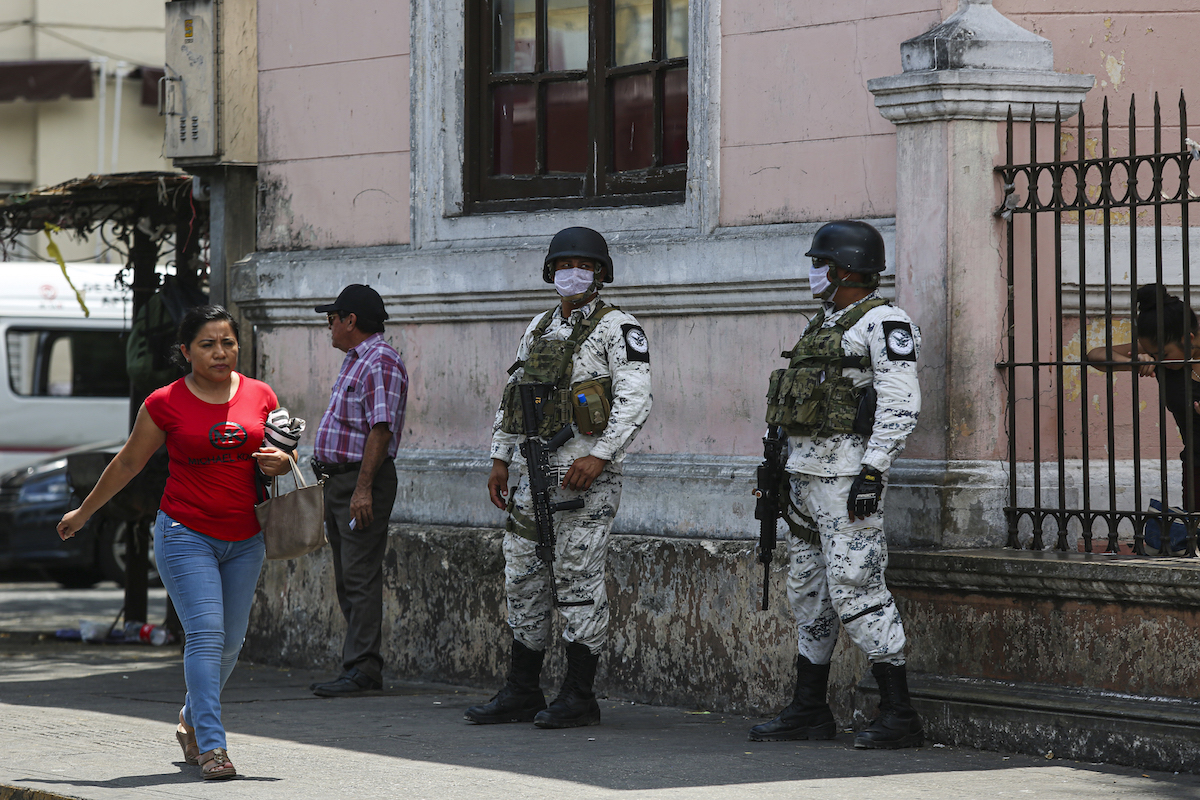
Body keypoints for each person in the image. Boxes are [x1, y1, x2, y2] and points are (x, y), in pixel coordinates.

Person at [56, 305, 293, 780]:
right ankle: (211, 744)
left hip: (247, 537)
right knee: (205, 635)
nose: (220, 352)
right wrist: (85, 512)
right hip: (186, 533)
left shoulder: (261, 395)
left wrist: (280, 463)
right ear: (186, 352)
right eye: (207, 344)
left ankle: (190, 716)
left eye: (227, 342)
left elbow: (281, 455)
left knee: (230, 643)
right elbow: (127, 463)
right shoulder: (163, 403)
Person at [465, 226, 652, 729]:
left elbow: (636, 399)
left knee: (576, 581)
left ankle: (578, 695)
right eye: (565, 264)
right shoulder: (540, 326)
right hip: (531, 477)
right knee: (522, 577)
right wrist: (500, 457)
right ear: (550, 271)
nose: (574, 272)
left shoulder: (619, 329)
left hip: (583, 481)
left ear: (601, 274)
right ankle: (522, 690)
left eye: (585, 265)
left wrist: (602, 456)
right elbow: (514, 395)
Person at [751, 220, 924, 749]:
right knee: (807, 592)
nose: (814, 272)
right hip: (803, 479)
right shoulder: (824, 323)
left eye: (820, 263)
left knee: (857, 587)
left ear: (846, 269)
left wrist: (874, 471)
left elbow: (900, 404)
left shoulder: (883, 321)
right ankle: (809, 709)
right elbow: (792, 401)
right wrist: (774, 466)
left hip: (846, 481)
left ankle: (899, 714)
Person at [308, 284, 408, 697]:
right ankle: (357, 664)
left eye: (333, 317)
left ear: (351, 320)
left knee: (360, 575)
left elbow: (380, 431)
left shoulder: (378, 360)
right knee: (348, 576)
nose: (329, 325)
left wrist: (363, 489)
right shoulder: (356, 360)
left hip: (359, 480)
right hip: (340, 480)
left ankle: (364, 668)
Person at [1086, 284, 1200, 529]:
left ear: (1188, 339)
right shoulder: (1162, 358)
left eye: (1163, 354)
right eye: (1153, 354)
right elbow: (1096, 355)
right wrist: (1135, 359)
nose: (1158, 360)